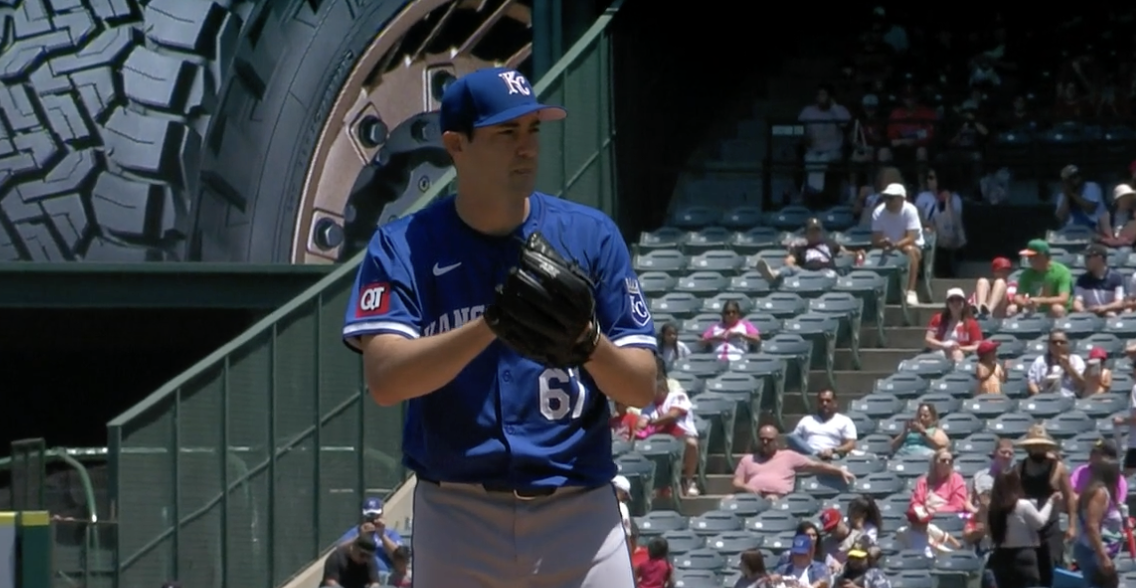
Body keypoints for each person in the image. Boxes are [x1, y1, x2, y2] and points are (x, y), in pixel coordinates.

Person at [341, 67, 658, 588]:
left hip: (579, 508)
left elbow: (642, 386)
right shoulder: (404, 246)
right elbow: (386, 379)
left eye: (533, 130)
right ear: (456, 145)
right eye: (505, 133)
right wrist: (492, 322)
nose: (526, 148)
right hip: (457, 510)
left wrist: (588, 342)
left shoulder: (590, 235)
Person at [1015, 425, 1076, 587]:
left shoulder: (1058, 467)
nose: (1038, 449)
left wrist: (1072, 525)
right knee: (1030, 571)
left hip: (1050, 526)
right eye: (1034, 446)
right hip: (1027, 527)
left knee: (1052, 566)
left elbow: (1070, 496)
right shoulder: (1020, 468)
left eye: (1041, 445)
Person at [985, 469, 1063, 588]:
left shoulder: (993, 508)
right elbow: (1040, 523)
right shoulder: (1023, 505)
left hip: (1001, 557)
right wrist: (1051, 502)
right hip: (1024, 557)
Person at [636, 358, 701, 496]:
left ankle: (689, 481)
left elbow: (673, 415)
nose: (652, 395)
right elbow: (642, 421)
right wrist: (641, 423)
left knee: (692, 444)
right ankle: (657, 485)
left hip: (681, 436)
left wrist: (652, 423)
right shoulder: (649, 404)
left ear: (663, 389)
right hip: (659, 439)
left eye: (655, 391)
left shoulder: (678, 396)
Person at [871, 182, 925, 306]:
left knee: (910, 250)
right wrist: (883, 243)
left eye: (891, 198)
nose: (887, 201)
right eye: (886, 197)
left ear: (901, 199)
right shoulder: (878, 212)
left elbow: (911, 237)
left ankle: (910, 291)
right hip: (886, 248)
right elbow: (875, 239)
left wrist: (896, 245)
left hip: (910, 246)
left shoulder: (910, 210)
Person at [1072, 458, 1124, 588]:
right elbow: (1092, 525)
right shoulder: (1100, 493)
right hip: (1094, 552)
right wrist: (1103, 556)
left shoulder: (1102, 492)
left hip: (1098, 551)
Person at [337, 497, 404, 577]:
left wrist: (382, 536)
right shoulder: (356, 532)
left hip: (385, 576)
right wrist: (360, 537)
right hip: (358, 575)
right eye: (369, 517)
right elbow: (339, 551)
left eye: (376, 516)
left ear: (381, 515)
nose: (372, 520)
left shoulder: (390, 533)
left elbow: (400, 557)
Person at [1013, 239, 1074, 318]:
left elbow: (1063, 299)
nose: (1029, 260)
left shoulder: (1062, 272)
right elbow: (1018, 296)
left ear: (1043, 256)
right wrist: (1025, 303)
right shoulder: (1026, 274)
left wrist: (1040, 300)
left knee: (1057, 309)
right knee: (1012, 309)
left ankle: (1058, 330)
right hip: (1033, 309)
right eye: (1028, 257)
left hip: (1052, 310)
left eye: (1033, 257)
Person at [924, 288, 983, 362]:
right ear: (948, 303)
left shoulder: (972, 324)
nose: (955, 303)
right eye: (952, 300)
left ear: (964, 303)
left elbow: (977, 346)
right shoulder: (938, 319)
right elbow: (928, 340)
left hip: (962, 354)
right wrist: (944, 345)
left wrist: (959, 348)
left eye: (959, 300)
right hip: (939, 351)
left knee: (957, 354)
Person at [1025, 328, 1085, 397]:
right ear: (1049, 344)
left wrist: (1069, 367)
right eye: (1054, 342)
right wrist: (1040, 397)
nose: (1058, 344)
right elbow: (1031, 383)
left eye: (1062, 342)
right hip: (1046, 400)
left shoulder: (1076, 360)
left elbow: (1082, 385)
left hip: (1070, 399)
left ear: (1067, 344)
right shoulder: (1040, 361)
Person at [911, 449, 973, 515]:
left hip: (947, 518)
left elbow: (958, 506)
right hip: (925, 517)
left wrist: (935, 510)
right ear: (935, 463)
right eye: (943, 460)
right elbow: (916, 503)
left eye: (950, 461)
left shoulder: (957, 479)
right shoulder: (923, 481)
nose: (947, 463)